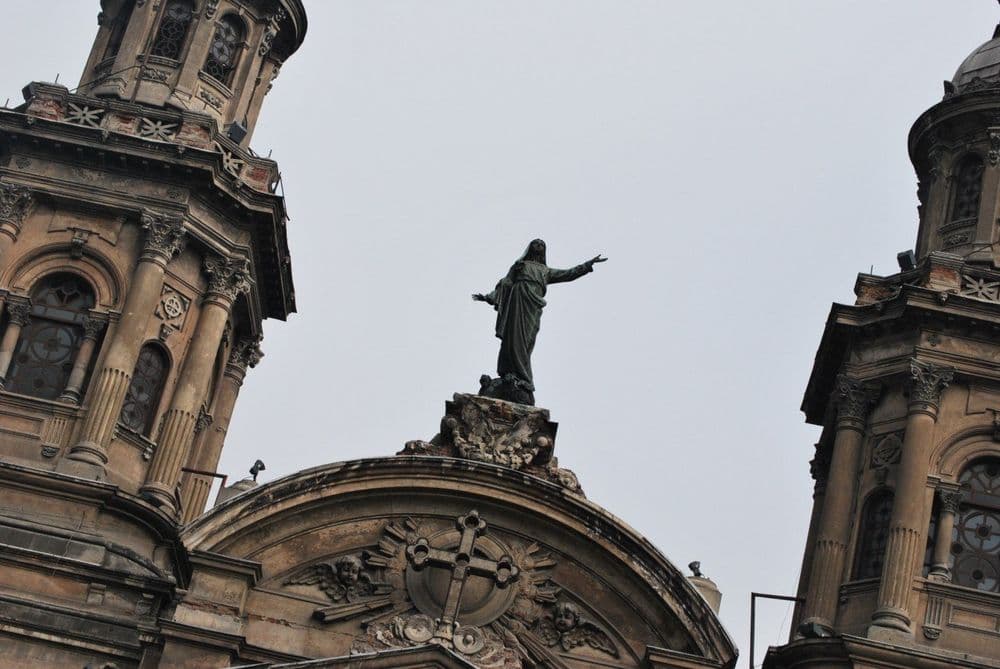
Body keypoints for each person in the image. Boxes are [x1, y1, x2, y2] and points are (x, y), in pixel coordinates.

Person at [473, 239, 606, 403]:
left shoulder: (545, 271)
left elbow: (568, 274)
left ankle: (523, 378)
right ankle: (513, 374)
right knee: (513, 338)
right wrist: (489, 297)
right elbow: (506, 282)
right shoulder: (520, 265)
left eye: (542, 245)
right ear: (529, 247)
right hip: (517, 300)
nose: (538, 246)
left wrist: (587, 265)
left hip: (532, 306)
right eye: (536, 243)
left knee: (526, 341)